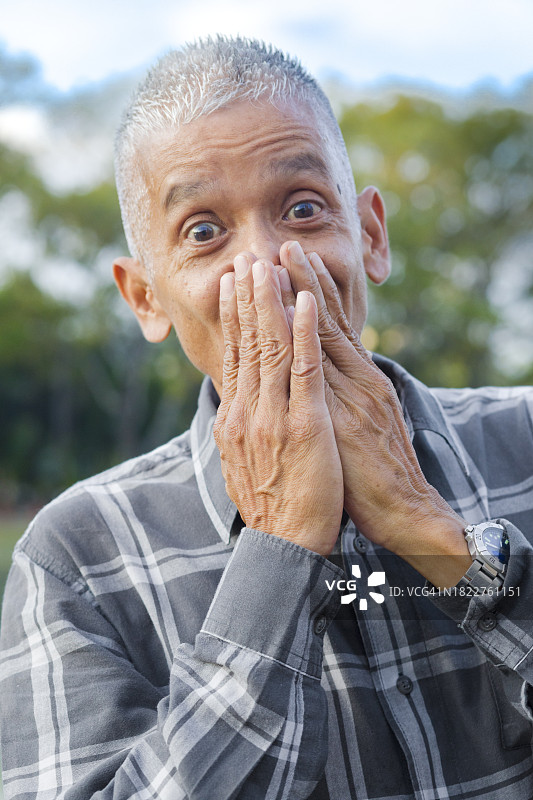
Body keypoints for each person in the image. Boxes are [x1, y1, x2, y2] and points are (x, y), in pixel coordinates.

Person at [1, 36, 532, 800]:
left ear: (371, 236)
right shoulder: (79, 559)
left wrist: (430, 531)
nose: (267, 267)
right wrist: (279, 549)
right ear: (146, 297)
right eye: (204, 232)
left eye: (304, 209)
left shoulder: (521, 439)